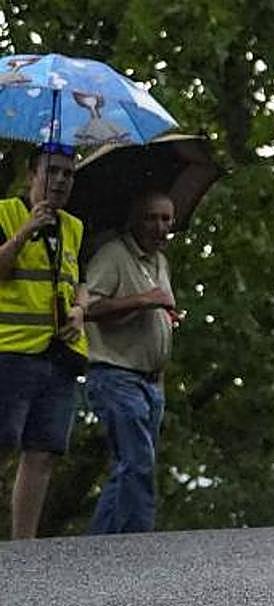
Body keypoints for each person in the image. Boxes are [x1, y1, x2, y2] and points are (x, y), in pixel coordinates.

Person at [0, 143, 89, 540]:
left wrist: (80, 309)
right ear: (31, 175)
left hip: (60, 354)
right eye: (52, 171)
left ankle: (24, 546)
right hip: (11, 350)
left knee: (44, 451)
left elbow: (82, 281)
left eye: (68, 174)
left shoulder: (74, 227)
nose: (61, 180)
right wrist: (25, 231)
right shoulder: (5, 213)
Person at [83, 191, 178, 534]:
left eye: (166, 219)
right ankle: (138, 544)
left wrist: (166, 317)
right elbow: (89, 308)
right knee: (137, 462)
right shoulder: (113, 255)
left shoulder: (159, 261)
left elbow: (153, 306)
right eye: (151, 218)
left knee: (131, 467)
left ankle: (101, 547)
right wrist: (143, 300)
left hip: (152, 381)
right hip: (116, 374)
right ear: (135, 220)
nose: (160, 227)